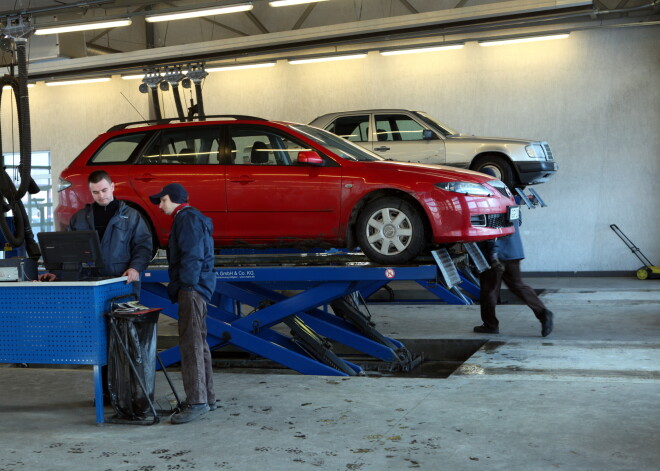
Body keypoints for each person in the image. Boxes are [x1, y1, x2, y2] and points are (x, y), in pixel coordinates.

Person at [149, 183, 216, 425]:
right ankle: (207, 397)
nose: (160, 205)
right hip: (197, 288)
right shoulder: (191, 218)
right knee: (199, 342)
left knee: (190, 344)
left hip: (193, 289)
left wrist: (185, 286)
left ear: (174, 199)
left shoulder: (186, 219)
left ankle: (197, 402)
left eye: (162, 200)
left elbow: (192, 256)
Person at [39, 170, 153, 294]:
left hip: (120, 280)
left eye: (104, 190)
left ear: (112, 187)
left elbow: (143, 246)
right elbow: (66, 251)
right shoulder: (79, 218)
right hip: (87, 282)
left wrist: (135, 268)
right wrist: (55, 273)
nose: (101, 196)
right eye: (96, 192)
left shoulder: (131, 216)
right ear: (90, 191)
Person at [474, 170, 554, 337]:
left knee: (489, 289)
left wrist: (494, 254)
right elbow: (518, 221)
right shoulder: (507, 196)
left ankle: (490, 325)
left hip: (495, 253)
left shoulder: (487, 199)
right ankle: (543, 313)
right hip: (514, 250)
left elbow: (493, 230)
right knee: (518, 285)